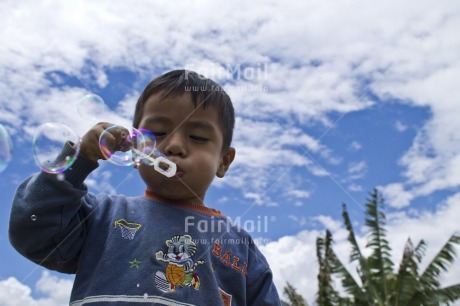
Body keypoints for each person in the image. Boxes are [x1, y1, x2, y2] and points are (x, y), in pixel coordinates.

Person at [9, 70, 281, 306]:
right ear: (136, 151)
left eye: (197, 136)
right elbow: (33, 229)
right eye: (158, 133)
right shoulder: (102, 215)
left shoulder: (240, 245)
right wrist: (80, 160)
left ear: (224, 161)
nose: (173, 145)